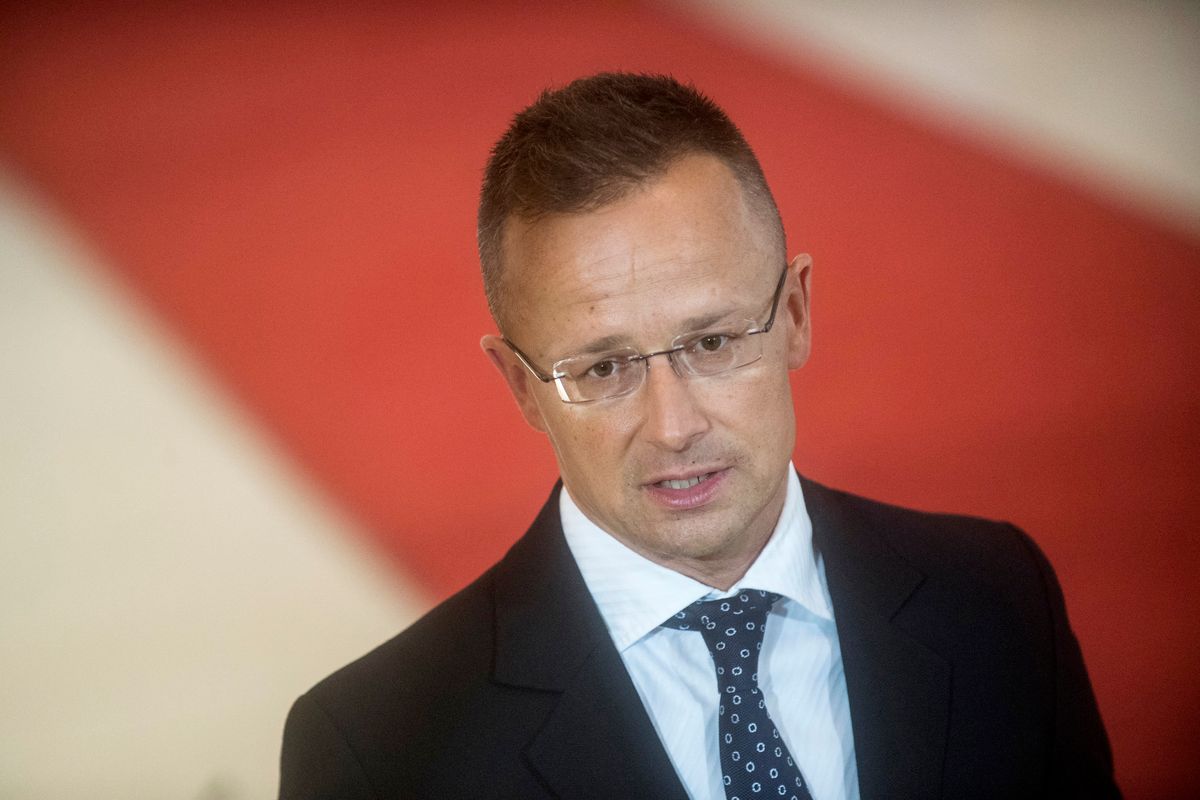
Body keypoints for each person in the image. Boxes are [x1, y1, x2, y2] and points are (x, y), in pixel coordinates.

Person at [279, 72, 1119, 799]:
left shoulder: (1000, 602)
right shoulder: (375, 753)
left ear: (794, 314)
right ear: (522, 388)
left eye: (713, 343)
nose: (674, 427)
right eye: (602, 369)